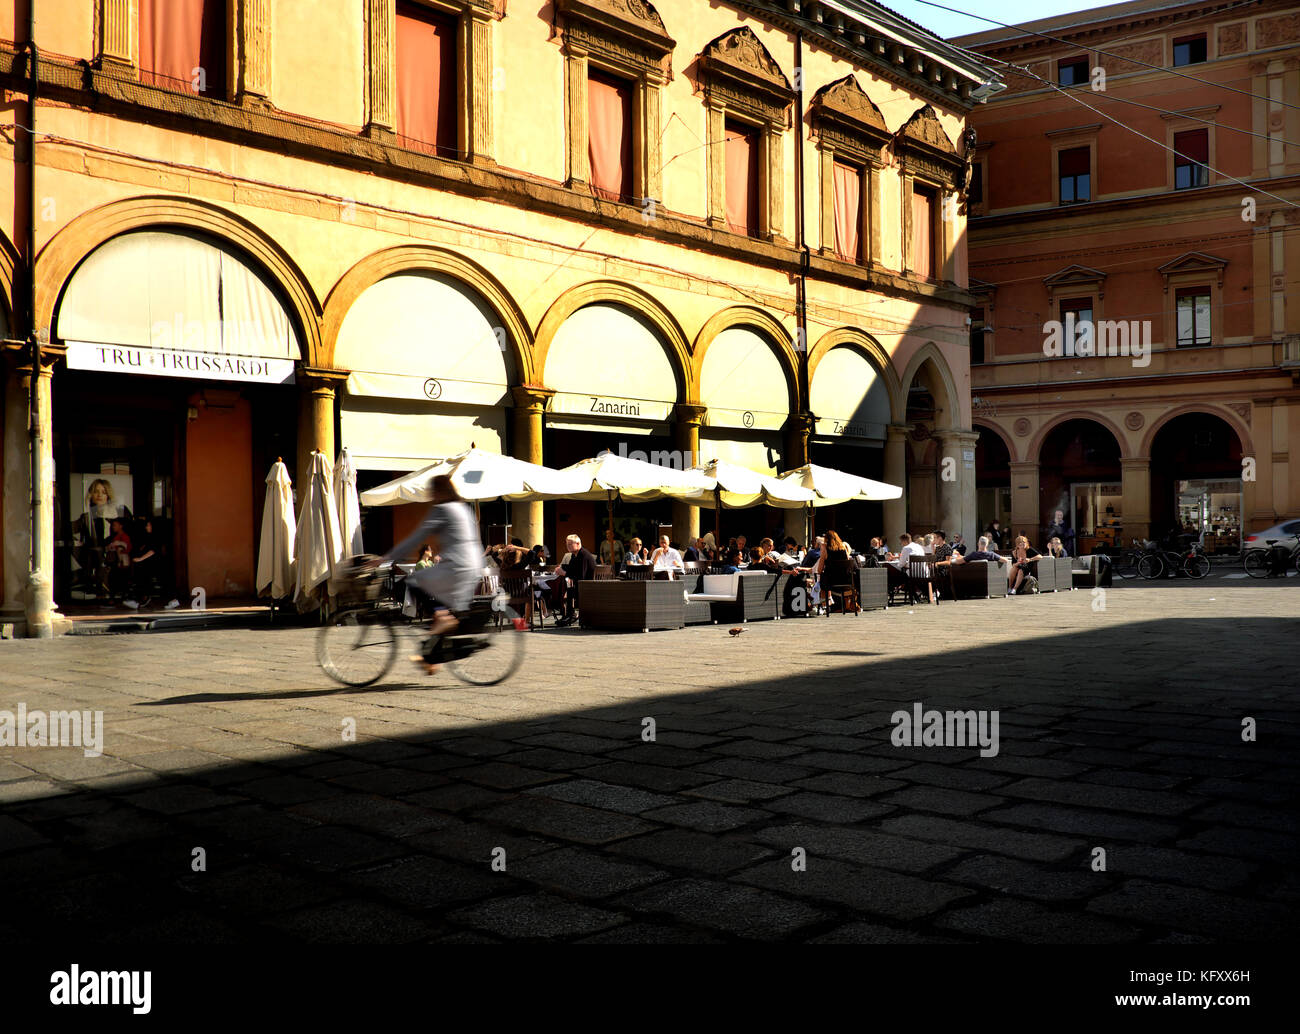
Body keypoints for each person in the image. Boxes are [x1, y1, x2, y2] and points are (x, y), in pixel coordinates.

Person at [377, 474, 483, 671]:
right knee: (444, 608)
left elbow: (417, 537)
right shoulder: (463, 508)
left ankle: (440, 620)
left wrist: (386, 558)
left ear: (439, 492)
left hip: (456, 565)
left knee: (413, 582)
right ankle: (431, 658)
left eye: (432, 492)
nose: (431, 496)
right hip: (474, 564)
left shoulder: (442, 509)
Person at [551, 534, 596, 625]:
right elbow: (571, 569)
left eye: (570, 544)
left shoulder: (583, 555)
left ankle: (569, 615)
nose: (568, 546)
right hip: (582, 585)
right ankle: (568, 615)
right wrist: (561, 567)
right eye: (567, 544)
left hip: (587, 587)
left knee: (565, 588)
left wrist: (563, 573)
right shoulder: (574, 555)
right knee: (563, 586)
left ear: (578, 543)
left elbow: (580, 576)